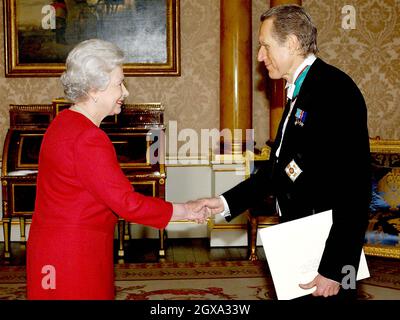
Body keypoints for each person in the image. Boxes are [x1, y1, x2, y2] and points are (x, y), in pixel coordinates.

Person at [189, 4, 371, 300]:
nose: (260, 56)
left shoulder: (334, 91)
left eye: (265, 46)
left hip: (327, 255)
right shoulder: (300, 91)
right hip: (302, 246)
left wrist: (334, 268)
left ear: (293, 44)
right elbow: (278, 172)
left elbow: (355, 189)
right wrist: (222, 203)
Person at [26, 39, 209, 300]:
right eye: (118, 83)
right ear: (94, 89)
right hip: (74, 257)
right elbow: (126, 203)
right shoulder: (89, 138)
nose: (125, 92)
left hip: (51, 250)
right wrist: (185, 210)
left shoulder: (62, 123)